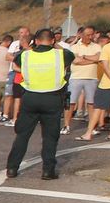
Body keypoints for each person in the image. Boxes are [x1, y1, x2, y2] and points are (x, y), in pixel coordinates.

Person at [7, 28, 74, 180]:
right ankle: (48, 170)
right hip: (52, 98)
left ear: (36, 41)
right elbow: (71, 56)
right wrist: (55, 45)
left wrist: (32, 46)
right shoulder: (61, 54)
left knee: (22, 135)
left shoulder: (26, 55)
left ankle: (12, 168)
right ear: (53, 41)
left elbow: (16, 64)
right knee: (50, 137)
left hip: (30, 97)